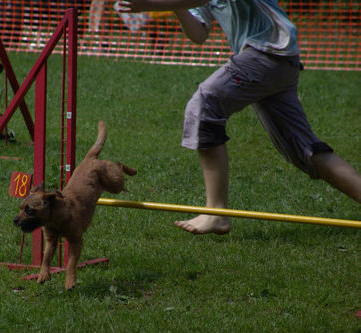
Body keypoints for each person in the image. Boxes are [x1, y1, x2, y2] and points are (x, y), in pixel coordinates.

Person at [117, 0, 361, 234]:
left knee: (205, 104)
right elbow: (199, 35)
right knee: (304, 149)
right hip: (275, 59)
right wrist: (178, 7)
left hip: (268, 52)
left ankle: (216, 213)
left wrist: (152, 4)